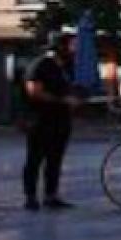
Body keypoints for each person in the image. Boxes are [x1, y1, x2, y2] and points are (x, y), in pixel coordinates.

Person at [22, 33, 80, 211]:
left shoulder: (66, 66)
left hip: (61, 120)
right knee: (35, 158)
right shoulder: (41, 65)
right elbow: (34, 91)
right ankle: (31, 197)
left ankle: (51, 195)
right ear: (60, 46)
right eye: (71, 45)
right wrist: (62, 101)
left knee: (55, 159)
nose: (74, 49)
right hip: (40, 120)